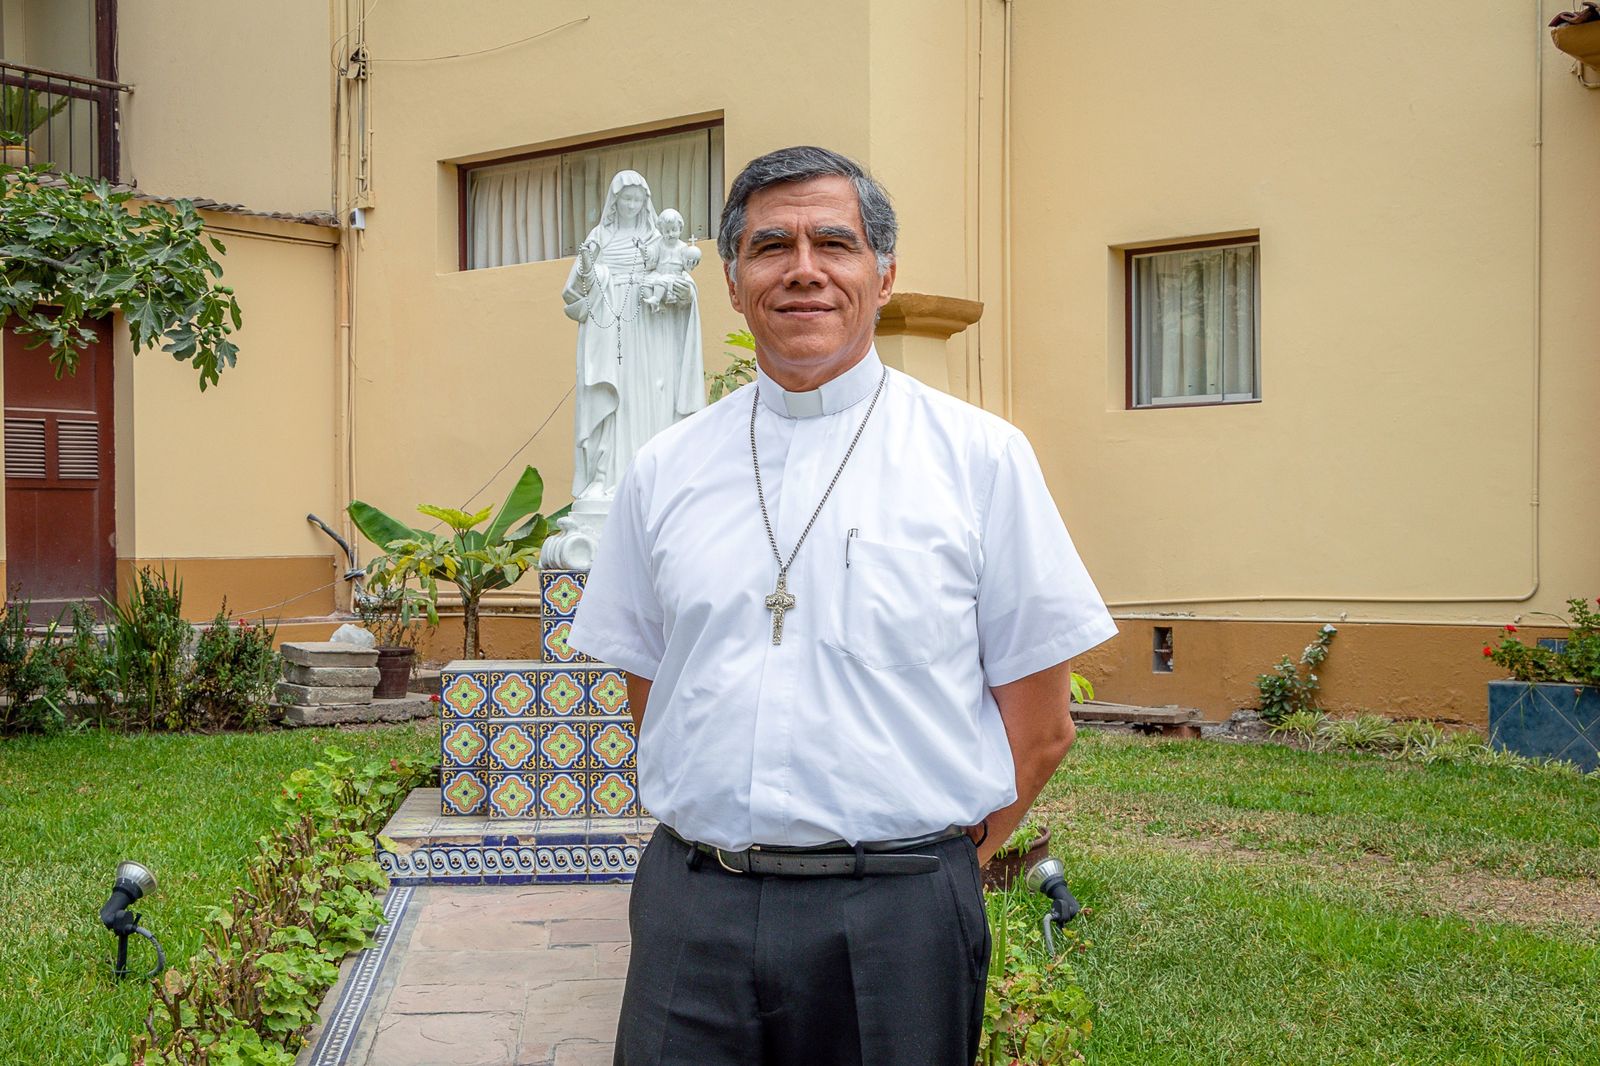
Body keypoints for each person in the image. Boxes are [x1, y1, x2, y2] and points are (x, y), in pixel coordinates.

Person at [569, 145, 1116, 1066]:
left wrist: (934, 869)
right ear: (735, 284)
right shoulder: (664, 470)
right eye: (770, 246)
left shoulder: (979, 460)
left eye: (835, 242)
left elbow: (1042, 724)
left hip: (898, 915)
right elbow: (651, 686)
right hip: (695, 906)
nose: (804, 270)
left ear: (885, 274)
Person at [562, 171, 705, 501]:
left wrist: (680, 293)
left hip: (651, 326)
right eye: (626, 198)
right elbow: (577, 291)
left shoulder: (659, 239)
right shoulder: (600, 236)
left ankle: (656, 476)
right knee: (616, 397)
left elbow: (678, 276)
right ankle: (605, 474)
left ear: (646, 202)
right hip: (612, 328)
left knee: (653, 395)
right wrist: (591, 268)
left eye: (638, 199)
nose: (632, 204)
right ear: (614, 201)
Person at [640, 208, 703, 311]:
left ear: (680, 229)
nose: (671, 234)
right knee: (643, 284)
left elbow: (686, 269)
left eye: (674, 230)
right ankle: (656, 305)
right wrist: (643, 250)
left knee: (661, 281)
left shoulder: (683, 247)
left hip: (675, 275)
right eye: (667, 231)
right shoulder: (659, 243)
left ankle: (656, 299)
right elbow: (651, 257)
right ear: (661, 231)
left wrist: (690, 265)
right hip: (659, 272)